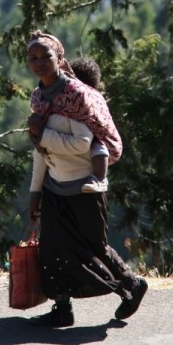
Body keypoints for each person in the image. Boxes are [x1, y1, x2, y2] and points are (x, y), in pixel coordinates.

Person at [24, 31, 147, 328]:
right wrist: (35, 192)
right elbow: (40, 151)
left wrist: (43, 133)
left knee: (95, 247)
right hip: (54, 187)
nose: (39, 62)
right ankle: (61, 308)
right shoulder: (38, 98)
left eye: (46, 56)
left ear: (59, 58)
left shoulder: (76, 96)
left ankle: (132, 286)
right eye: (33, 58)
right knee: (52, 249)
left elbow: (82, 144)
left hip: (84, 187)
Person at [69, 56, 109, 193]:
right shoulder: (71, 96)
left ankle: (100, 179)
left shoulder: (91, 96)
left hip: (95, 130)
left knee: (98, 146)